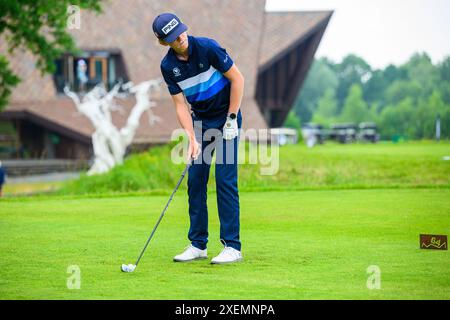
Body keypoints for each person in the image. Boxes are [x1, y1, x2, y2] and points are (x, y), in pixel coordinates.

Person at [153, 13, 245, 264]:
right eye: (173, 37)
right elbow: (180, 105)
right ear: (164, 42)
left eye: (180, 32)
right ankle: (198, 244)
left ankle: (232, 247)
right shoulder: (167, 67)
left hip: (227, 117)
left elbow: (238, 79)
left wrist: (232, 118)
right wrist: (191, 138)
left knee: (225, 179)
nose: (180, 38)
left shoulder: (208, 47)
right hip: (202, 124)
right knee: (195, 180)